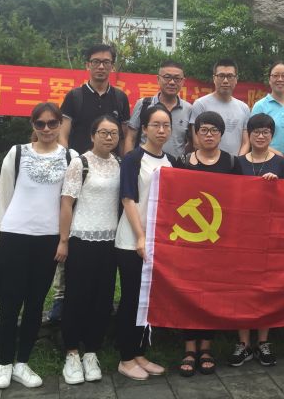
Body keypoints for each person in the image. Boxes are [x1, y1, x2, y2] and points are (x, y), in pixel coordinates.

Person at [0, 102, 75, 390]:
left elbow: (69, 201)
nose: (47, 129)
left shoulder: (70, 157)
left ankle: (22, 362)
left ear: (60, 125)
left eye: (52, 123)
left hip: (48, 239)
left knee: (35, 303)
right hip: (14, 235)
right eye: (41, 123)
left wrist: (64, 239)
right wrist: (0, 232)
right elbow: (4, 195)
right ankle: (4, 363)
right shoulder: (17, 153)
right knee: (9, 302)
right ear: (33, 125)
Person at [54, 43, 130, 321]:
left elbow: (125, 135)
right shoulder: (75, 97)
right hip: (80, 171)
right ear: (87, 64)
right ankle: (62, 296)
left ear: (112, 66)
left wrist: (124, 164)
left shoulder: (120, 98)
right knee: (71, 231)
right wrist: (72, 160)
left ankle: (102, 300)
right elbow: (63, 133)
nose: (101, 66)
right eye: (96, 61)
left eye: (106, 62)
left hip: (109, 172)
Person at [177, 111, 243, 376]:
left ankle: (206, 347)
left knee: (210, 293)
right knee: (188, 293)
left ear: (221, 134)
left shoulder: (231, 162)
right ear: (196, 133)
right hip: (190, 238)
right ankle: (189, 348)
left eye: (214, 130)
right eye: (203, 129)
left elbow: (241, 197)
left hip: (219, 239)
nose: (208, 135)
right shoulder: (183, 162)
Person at [56, 115, 122, 385]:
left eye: (114, 133)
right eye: (103, 132)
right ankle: (72, 353)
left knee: (103, 299)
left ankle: (92, 351)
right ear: (92, 135)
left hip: (110, 241)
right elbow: (66, 203)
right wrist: (63, 240)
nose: (109, 137)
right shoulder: (79, 163)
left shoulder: (119, 164)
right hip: (81, 239)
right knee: (76, 297)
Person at [229, 113, 284, 368]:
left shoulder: (281, 164)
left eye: (266, 131)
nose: (260, 136)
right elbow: (229, 197)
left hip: (271, 235)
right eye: (256, 131)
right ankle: (243, 343)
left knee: (267, 288)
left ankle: (264, 342)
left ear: (272, 135)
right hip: (242, 235)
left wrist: (276, 187)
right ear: (249, 134)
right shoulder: (237, 163)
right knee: (242, 289)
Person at [114, 104, 172, 380]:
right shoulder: (133, 159)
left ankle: (139, 353)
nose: (161, 130)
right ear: (145, 129)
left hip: (157, 242)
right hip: (131, 240)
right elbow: (128, 199)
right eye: (155, 125)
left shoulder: (171, 161)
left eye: (166, 125)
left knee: (145, 300)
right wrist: (140, 236)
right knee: (130, 298)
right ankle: (125, 358)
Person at [124, 59, 192, 159]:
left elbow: (191, 142)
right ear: (158, 79)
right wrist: (128, 162)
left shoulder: (189, 109)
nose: (172, 82)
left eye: (177, 78)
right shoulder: (144, 104)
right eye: (167, 77)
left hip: (174, 166)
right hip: (144, 165)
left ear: (183, 81)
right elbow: (131, 137)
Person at [189, 58, 250, 156]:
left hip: (235, 163)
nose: (225, 81)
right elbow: (196, 141)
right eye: (221, 76)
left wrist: (237, 161)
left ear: (236, 79)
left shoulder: (244, 108)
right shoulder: (201, 104)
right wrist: (214, 161)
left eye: (230, 76)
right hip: (208, 163)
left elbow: (246, 142)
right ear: (214, 78)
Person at [251, 61, 284, 156]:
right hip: (265, 158)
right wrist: (278, 155)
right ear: (269, 79)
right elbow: (253, 137)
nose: (280, 79)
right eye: (275, 75)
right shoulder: (260, 106)